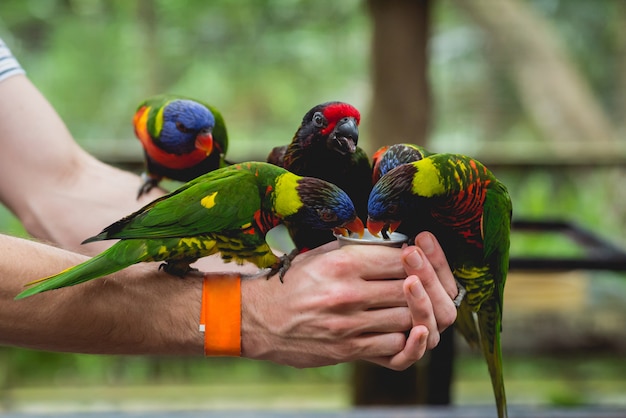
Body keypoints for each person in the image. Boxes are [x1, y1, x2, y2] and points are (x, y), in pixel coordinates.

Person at [0, 38, 458, 370]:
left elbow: (61, 180)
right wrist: (245, 311)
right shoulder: (266, 179)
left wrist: (324, 289)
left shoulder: (276, 194)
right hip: (165, 234)